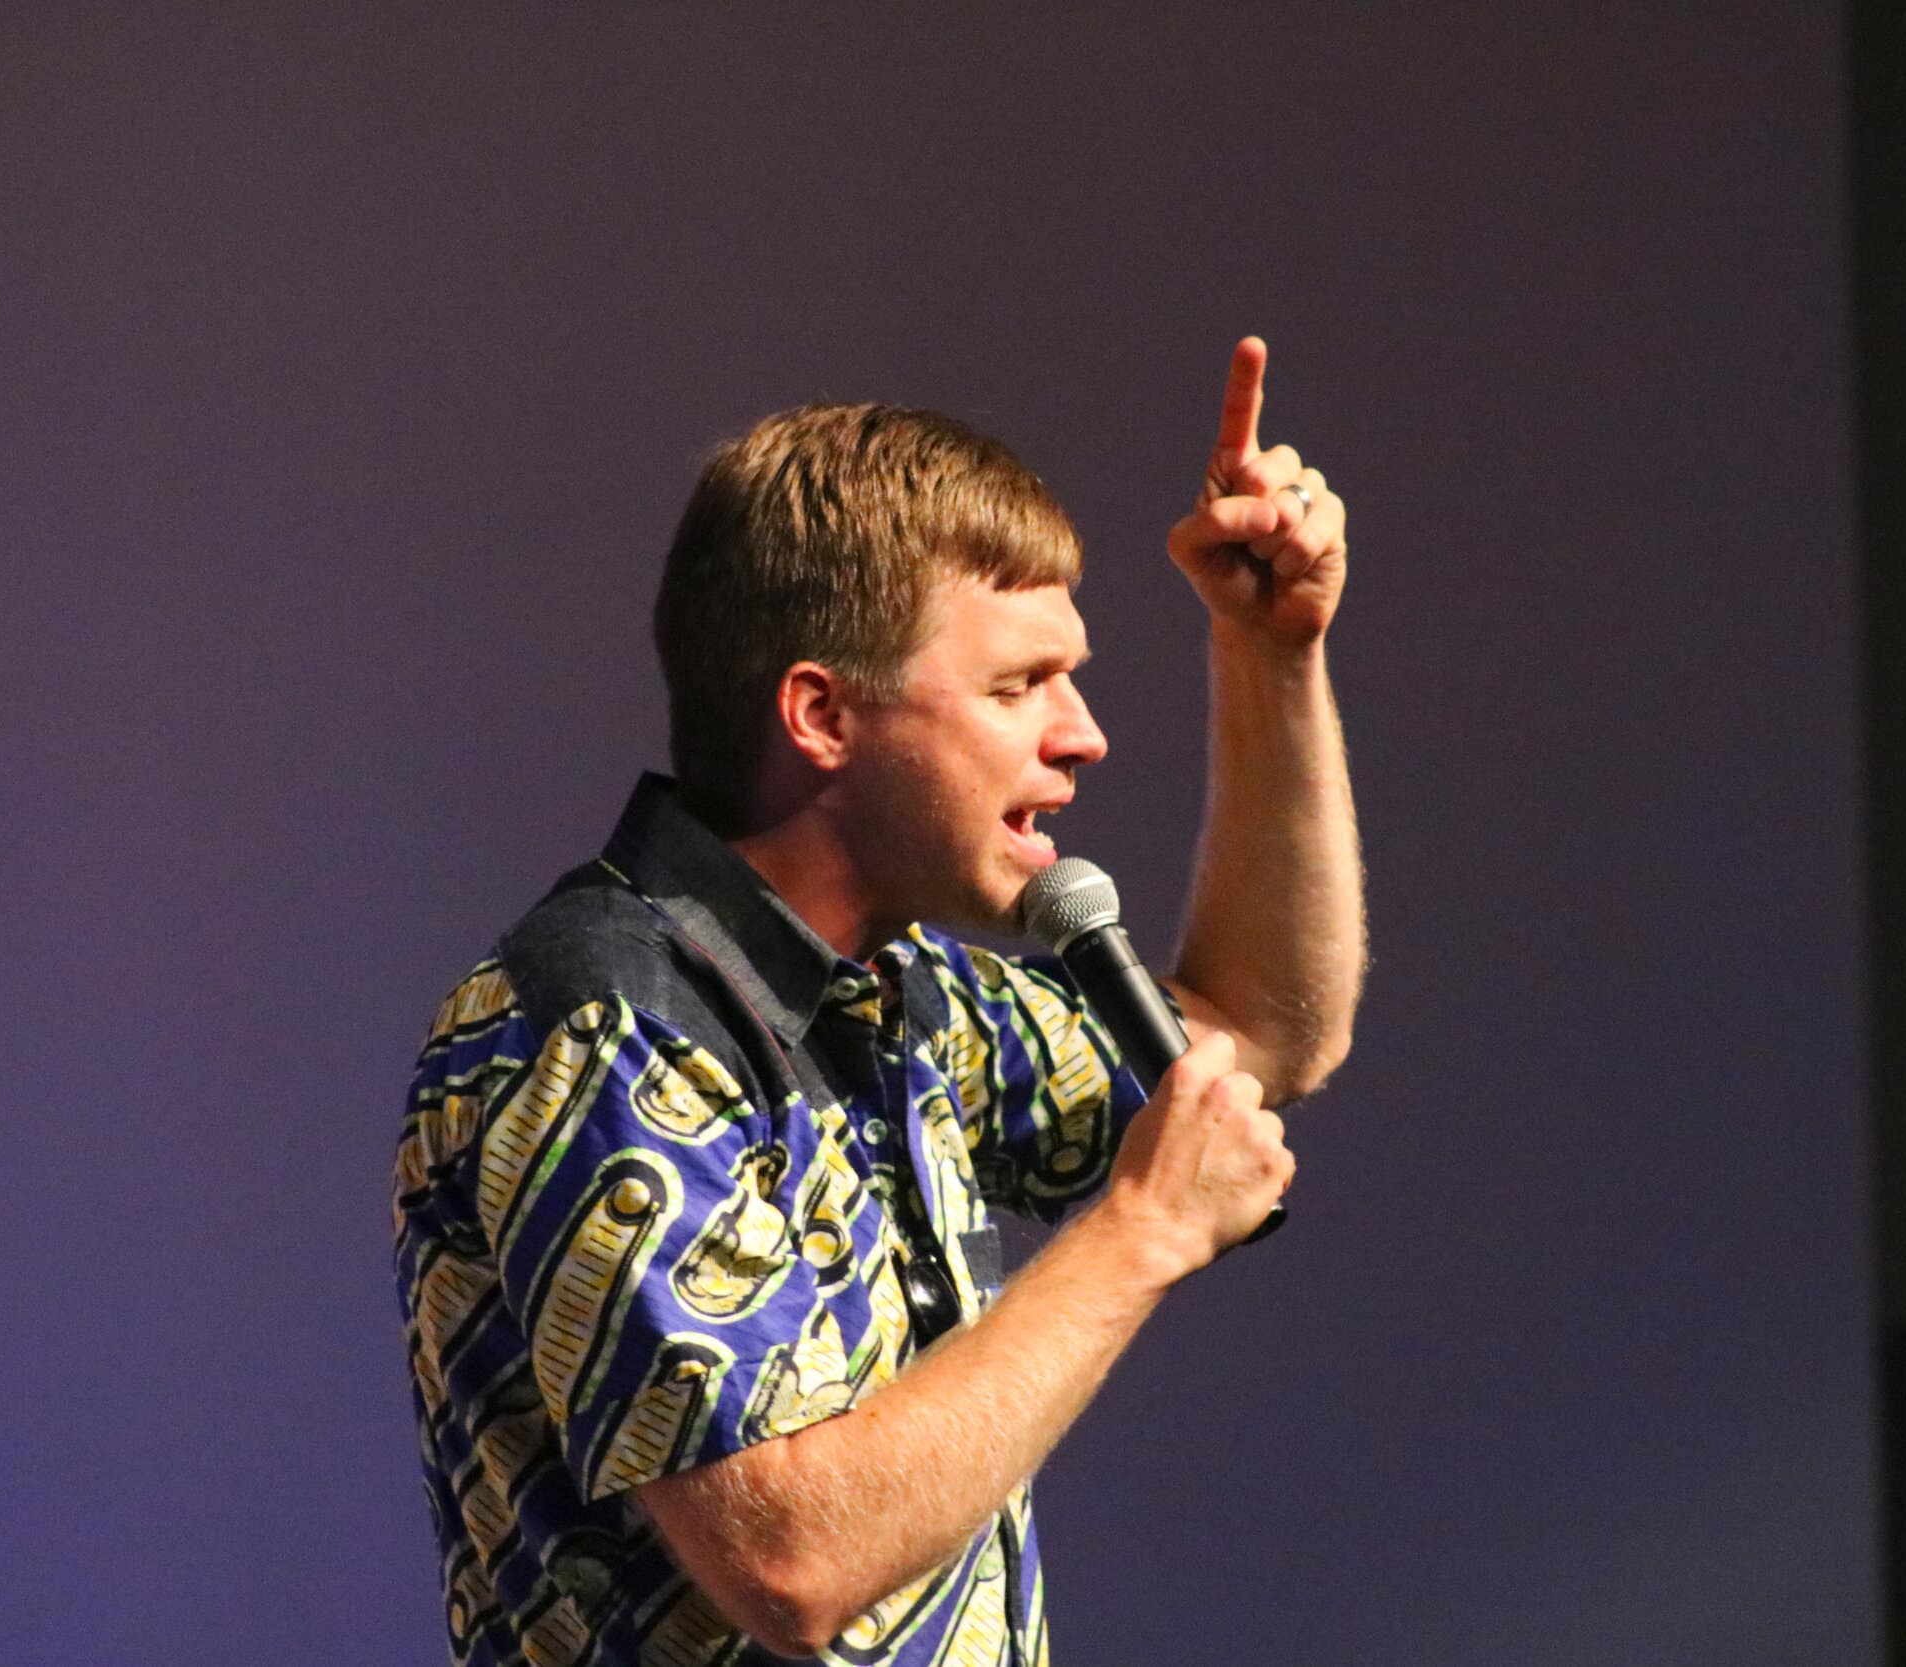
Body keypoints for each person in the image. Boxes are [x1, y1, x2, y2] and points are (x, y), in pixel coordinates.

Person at [394, 338, 1365, 1666]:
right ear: (822, 716)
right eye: (1021, 685)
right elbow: (789, 1560)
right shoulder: (606, 1020)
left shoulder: (906, 999)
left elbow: (1257, 1030)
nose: (1080, 734)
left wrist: (1272, 656)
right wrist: (1139, 1230)